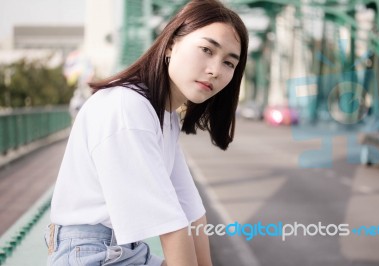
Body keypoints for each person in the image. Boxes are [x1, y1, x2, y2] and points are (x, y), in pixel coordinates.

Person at [45, 0, 248, 265]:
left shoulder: (164, 115)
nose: (215, 70)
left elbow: (190, 210)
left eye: (229, 63)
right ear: (172, 42)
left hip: (123, 251)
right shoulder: (127, 107)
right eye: (207, 49)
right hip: (89, 253)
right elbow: (171, 227)